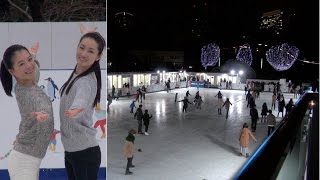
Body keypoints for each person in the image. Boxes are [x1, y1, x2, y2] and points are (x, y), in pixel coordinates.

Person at [0, 44, 54, 179]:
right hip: (24, 162)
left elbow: (35, 71)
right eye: (21, 64)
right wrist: (40, 113)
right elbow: (35, 105)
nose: (29, 66)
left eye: (29, 60)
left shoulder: (29, 82)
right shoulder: (24, 92)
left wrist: (33, 55)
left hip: (30, 159)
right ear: (12, 71)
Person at [59, 32, 105, 180]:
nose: (83, 53)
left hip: (84, 153)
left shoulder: (86, 81)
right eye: (82, 47)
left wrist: (75, 109)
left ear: (98, 56)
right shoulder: (78, 71)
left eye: (90, 51)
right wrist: (88, 33)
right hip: (72, 150)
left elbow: (82, 98)